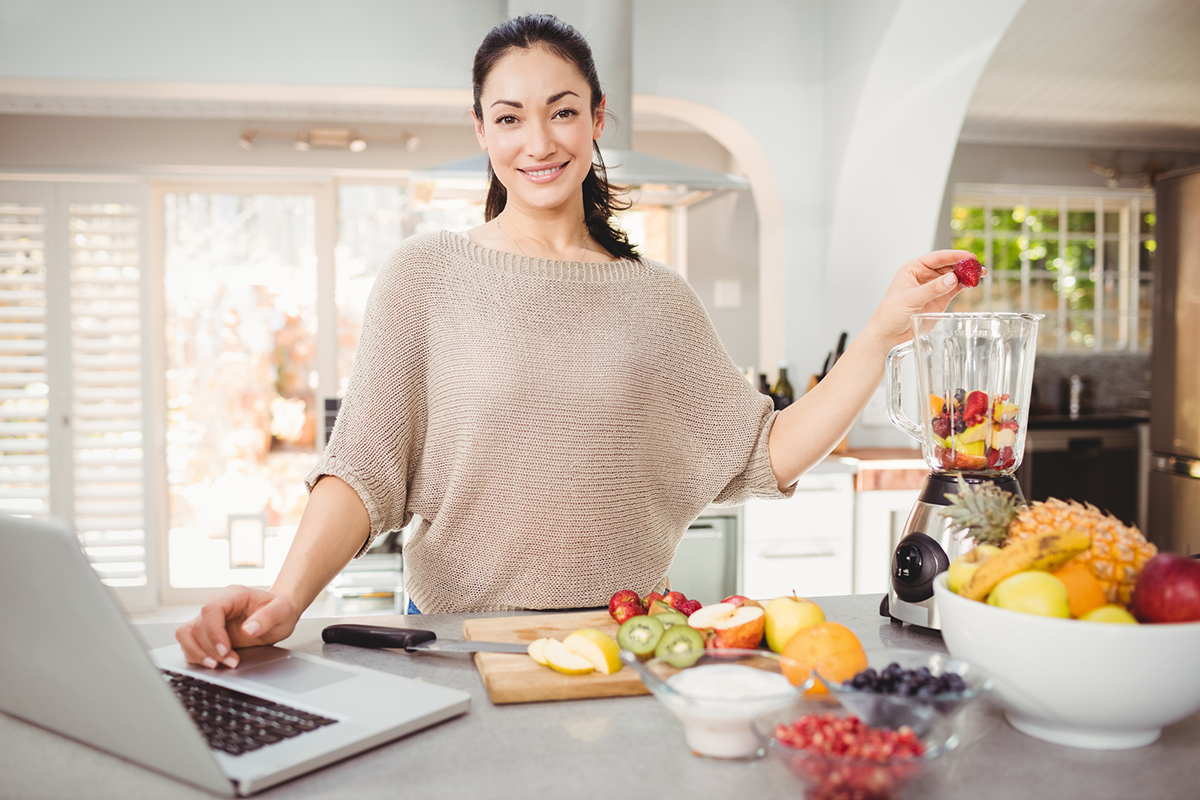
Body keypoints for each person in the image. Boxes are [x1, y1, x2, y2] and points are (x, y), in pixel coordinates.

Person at [176, 13, 975, 670]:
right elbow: (361, 470)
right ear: (483, 130)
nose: (539, 142)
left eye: (562, 111)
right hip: (457, 641)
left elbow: (768, 451)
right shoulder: (425, 275)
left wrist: (881, 333)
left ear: (596, 119)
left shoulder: (658, 299)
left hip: (628, 641)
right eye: (510, 117)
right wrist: (288, 597)